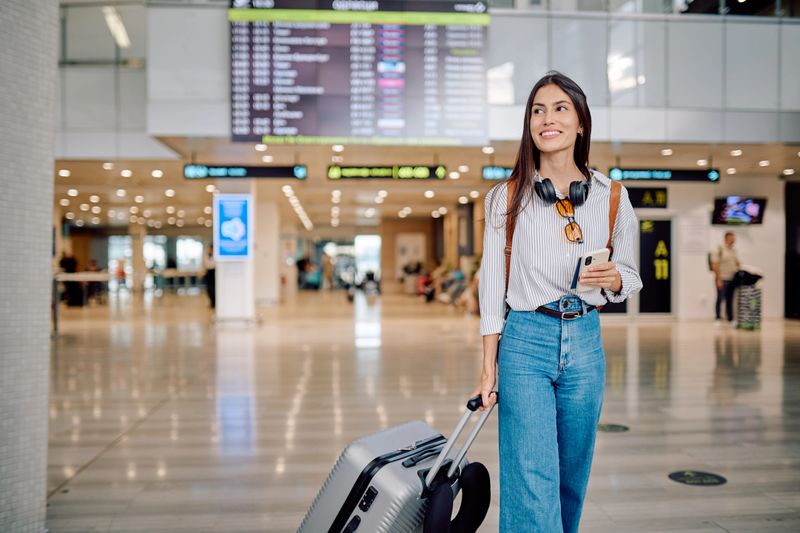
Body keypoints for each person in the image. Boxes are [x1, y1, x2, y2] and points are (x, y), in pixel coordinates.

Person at [472, 71, 643, 533]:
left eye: (560, 108)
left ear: (581, 122)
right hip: (526, 340)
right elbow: (491, 288)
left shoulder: (612, 197)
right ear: (529, 124)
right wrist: (488, 368)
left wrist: (614, 278)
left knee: (571, 478)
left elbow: (631, 275)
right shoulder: (505, 199)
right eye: (538, 110)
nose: (548, 119)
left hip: (586, 341)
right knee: (531, 478)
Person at [710, 231, 741, 327]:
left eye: (734, 239)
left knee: (730, 300)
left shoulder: (733, 250)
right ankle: (718, 318)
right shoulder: (718, 250)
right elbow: (715, 265)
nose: (734, 240)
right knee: (720, 299)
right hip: (722, 279)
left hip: (732, 279)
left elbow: (738, 263)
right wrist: (718, 279)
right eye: (732, 238)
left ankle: (730, 319)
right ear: (727, 238)